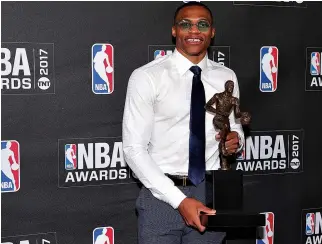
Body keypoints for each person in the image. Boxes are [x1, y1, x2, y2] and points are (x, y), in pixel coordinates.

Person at [122, 2, 245, 244]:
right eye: (185, 24)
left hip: (210, 194)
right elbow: (133, 149)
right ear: (174, 31)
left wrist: (235, 141)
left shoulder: (226, 77)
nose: (194, 31)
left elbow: (235, 128)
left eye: (202, 24)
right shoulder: (147, 77)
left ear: (212, 32)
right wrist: (179, 200)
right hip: (160, 195)